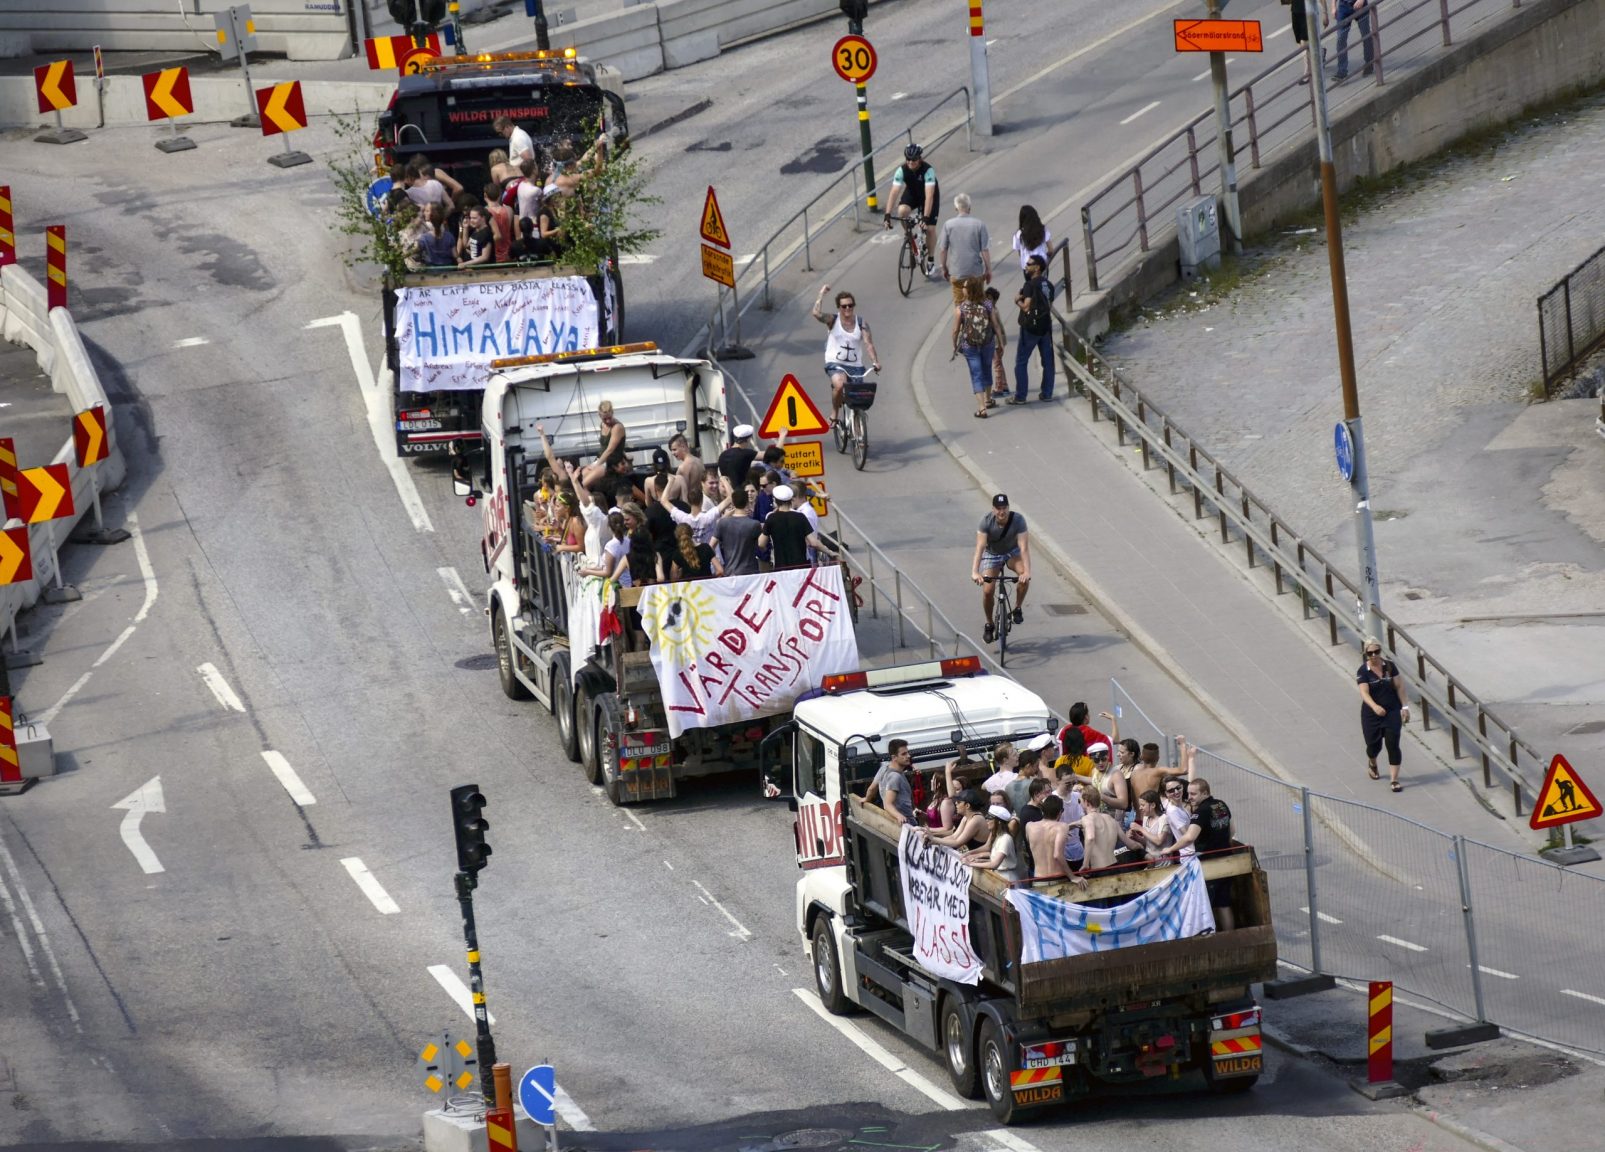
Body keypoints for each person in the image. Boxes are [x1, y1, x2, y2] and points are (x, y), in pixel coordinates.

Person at [811, 284, 881, 430]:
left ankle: (858, 431)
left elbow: (868, 344)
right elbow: (816, 313)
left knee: (858, 398)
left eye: (850, 305)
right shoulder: (833, 320)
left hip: (856, 366)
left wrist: (875, 362)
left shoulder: (861, 323)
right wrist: (821, 294)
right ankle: (834, 413)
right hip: (835, 363)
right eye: (844, 306)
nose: (847, 309)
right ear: (839, 308)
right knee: (840, 385)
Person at [1173, 777, 1237, 930]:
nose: (1189, 798)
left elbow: (1189, 837)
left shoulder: (1201, 812)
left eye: (1193, 794)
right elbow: (1232, 831)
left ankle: (1210, 938)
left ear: (1205, 793)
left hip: (1209, 864)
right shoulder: (1222, 805)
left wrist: (1169, 849)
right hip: (1227, 861)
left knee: (1205, 905)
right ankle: (1230, 938)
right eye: (1188, 794)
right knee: (1223, 904)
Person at [972, 493, 1030, 643]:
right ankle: (989, 624)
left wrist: (1027, 572)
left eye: (1004, 508)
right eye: (998, 509)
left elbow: (1023, 548)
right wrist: (975, 571)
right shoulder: (985, 522)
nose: (1001, 512)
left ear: (1008, 508)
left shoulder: (1018, 520)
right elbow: (980, 547)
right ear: (993, 510)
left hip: (1012, 552)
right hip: (993, 554)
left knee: (1024, 577)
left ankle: (1017, 608)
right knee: (987, 591)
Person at [1357, 637, 1408, 792]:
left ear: (1380, 651)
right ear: (1366, 653)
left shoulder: (1390, 667)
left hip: (1392, 711)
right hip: (1371, 714)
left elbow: (1399, 687)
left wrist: (1405, 707)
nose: (1373, 655)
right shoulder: (1363, 671)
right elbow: (1364, 693)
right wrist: (1374, 707)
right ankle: (1372, 762)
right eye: (1370, 653)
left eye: (1376, 652)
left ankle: (1394, 780)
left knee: (1392, 744)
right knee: (1373, 746)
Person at [952, 278, 1005, 419]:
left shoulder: (961, 308)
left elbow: (955, 330)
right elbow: (995, 325)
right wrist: (1000, 342)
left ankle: (982, 408)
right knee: (987, 369)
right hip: (988, 343)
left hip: (969, 346)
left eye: (964, 286)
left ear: (968, 290)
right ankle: (988, 400)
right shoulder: (988, 304)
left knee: (976, 374)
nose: (962, 288)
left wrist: (954, 345)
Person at [883, 143, 940, 273]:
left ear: (919, 158)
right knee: (902, 211)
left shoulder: (928, 170)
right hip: (913, 193)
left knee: (930, 229)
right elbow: (894, 192)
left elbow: (929, 196)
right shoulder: (901, 170)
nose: (910, 162)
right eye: (907, 159)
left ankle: (930, 259)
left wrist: (925, 218)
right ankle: (909, 235)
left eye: (913, 159)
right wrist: (887, 214)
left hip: (928, 195)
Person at [1012, 254, 1057, 404]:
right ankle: (1047, 393)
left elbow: (1026, 307)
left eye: (1029, 264)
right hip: (1045, 326)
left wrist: (1017, 299)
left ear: (1037, 267)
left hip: (1030, 328)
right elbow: (1049, 305)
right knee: (1048, 361)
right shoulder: (1049, 285)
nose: (1026, 266)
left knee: (1021, 361)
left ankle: (1020, 396)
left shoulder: (1029, 285)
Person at [938, 192, 992, 304]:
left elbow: (943, 250)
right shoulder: (979, 224)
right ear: (970, 208)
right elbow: (984, 250)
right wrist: (988, 269)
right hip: (975, 272)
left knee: (959, 304)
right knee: (977, 302)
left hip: (957, 272)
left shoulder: (948, 225)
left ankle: (960, 320)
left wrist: (944, 268)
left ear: (955, 208)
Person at [760, 485, 823, 568]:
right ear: (791, 500)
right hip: (802, 566)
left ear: (775, 501)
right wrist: (830, 552)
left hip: (781, 567)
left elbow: (761, 543)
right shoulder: (800, 516)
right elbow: (814, 542)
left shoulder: (771, 518)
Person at [964, 806, 1025, 884]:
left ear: (999, 822)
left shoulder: (1006, 838)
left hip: (1007, 879)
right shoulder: (998, 836)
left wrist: (970, 863)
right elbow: (995, 859)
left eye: (990, 818)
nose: (987, 821)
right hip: (999, 877)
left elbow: (995, 864)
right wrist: (977, 860)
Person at [711, 485, 763, 576]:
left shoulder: (722, 523)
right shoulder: (754, 524)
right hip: (751, 573)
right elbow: (762, 546)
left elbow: (710, 547)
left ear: (733, 503)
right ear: (747, 502)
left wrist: (718, 566)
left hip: (730, 572)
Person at [863, 739, 916, 825]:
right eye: (903, 754)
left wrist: (866, 799)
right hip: (906, 823)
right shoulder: (895, 777)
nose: (908, 756)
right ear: (894, 757)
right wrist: (899, 816)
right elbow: (887, 804)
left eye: (907, 752)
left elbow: (872, 789)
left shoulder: (884, 768)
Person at [922, 787, 988, 849]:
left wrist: (933, 839)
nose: (956, 803)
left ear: (967, 805)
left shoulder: (976, 820)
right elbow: (954, 837)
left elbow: (957, 843)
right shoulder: (966, 817)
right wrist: (933, 841)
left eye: (959, 802)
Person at [1026, 794, 1071, 880]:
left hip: (1039, 878)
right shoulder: (1062, 827)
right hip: (1058, 877)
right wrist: (1072, 876)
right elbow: (1057, 855)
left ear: (1043, 810)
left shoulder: (1029, 826)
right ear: (1060, 812)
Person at [1332, 0, 1375, 83]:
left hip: (1360, 5)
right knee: (1341, 38)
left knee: (1365, 36)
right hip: (1343, 7)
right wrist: (1333, 7)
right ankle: (1342, 71)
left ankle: (1369, 64)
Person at [1129, 789, 1175, 863]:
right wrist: (1136, 837)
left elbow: (1159, 841)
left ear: (1153, 805)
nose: (1140, 808)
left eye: (1143, 805)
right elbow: (1147, 842)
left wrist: (1141, 829)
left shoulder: (1164, 819)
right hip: (1151, 861)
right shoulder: (1146, 818)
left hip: (1163, 863)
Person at [1291, 0, 1330, 86]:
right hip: (1295, 10)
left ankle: (1307, 73)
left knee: (1305, 43)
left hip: (1308, 13)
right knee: (1300, 41)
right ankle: (1321, 51)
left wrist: (1325, 13)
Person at [983, 287, 1010, 407]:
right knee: (1000, 364)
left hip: (996, 342)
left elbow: (996, 327)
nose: (986, 300)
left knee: (997, 365)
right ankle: (1004, 386)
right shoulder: (993, 309)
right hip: (1000, 341)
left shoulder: (992, 310)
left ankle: (999, 388)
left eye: (989, 298)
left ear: (994, 299)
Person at [1010, 204, 1051, 271]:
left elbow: (1020, 252)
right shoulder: (1042, 230)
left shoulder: (1019, 234)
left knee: (1030, 281)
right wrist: (1047, 256)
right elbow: (1051, 250)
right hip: (1041, 264)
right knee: (1042, 281)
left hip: (1027, 266)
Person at [415, 203, 458, 267]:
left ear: (432, 215)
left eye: (427, 211)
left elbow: (415, 253)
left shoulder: (424, 237)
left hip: (431, 272)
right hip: (448, 270)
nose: (424, 213)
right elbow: (456, 256)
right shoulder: (449, 236)